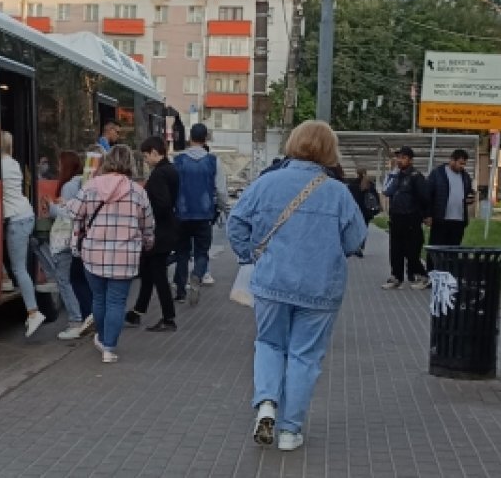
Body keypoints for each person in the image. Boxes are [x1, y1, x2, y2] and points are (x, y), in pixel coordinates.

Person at [227, 120, 366, 453]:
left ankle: (265, 404)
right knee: (305, 356)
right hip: (320, 288)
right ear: (329, 151)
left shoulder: (266, 183)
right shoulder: (338, 193)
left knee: (269, 343)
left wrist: (251, 255)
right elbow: (355, 238)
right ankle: (290, 431)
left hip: (272, 283)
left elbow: (236, 224)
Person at [70, 144, 155, 364]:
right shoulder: (138, 192)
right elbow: (148, 226)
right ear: (130, 164)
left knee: (99, 299)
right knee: (117, 302)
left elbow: (73, 212)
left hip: (93, 254)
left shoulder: (91, 186)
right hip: (125, 257)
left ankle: (100, 336)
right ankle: (109, 347)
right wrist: (147, 243)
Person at [126, 136, 180, 332]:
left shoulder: (158, 175)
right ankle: (137, 312)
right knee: (148, 272)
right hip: (166, 231)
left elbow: (162, 204)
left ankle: (168, 318)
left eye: (146, 156)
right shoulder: (171, 170)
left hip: (159, 233)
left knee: (158, 276)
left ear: (155, 153)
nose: (146, 160)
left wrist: (145, 214)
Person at [172, 123, 229, 303]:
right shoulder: (214, 161)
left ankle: (180, 290)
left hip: (181, 213)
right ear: (205, 139)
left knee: (182, 252)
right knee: (202, 252)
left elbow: (172, 188)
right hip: (204, 214)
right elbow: (220, 190)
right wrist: (225, 208)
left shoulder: (178, 160)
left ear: (190, 138)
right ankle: (197, 275)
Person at [36, 150, 86, 340]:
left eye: (59, 163)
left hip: (65, 238)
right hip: (76, 238)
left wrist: (51, 206)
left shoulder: (68, 186)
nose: (57, 167)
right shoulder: (82, 182)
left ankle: (75, 321)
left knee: (63, 281)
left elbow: (66, 214)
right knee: (70, 279)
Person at [0, 131, 46, 337]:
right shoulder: (13, 163)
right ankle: (4, 279)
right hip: (24, 214)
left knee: (19, 268)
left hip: (16, 219)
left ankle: (33, 312)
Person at [382, 146, 431, 290]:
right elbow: (386, 191)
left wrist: (427, 215)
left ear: (410, 160)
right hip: (396, 217)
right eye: (398, 157)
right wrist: (392, 173)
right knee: (395, 249)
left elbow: (424, 197)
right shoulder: (396, 176)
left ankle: (422, 276)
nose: (399, 160)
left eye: (403, 158)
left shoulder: (416, 176)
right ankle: (396, 277)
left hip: (411, 218)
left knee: (411, 251)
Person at [426, 149, 476, 271]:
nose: (462, 166)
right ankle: (432, 274)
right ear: (452, 160)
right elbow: (428, 194)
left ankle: (449, 274)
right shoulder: (438, 174)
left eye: (464, 164)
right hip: (441, 218)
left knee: (453, 250)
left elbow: (468, 192)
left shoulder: (465, 176)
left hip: (458, 219)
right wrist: (428, 215)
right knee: (436, 248)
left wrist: (470, 198)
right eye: (460, 163)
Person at [346, 168, 382, 254]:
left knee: (355, 229)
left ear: (356, 173)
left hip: (355, 211)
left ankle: (355, 246)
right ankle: (361, 247)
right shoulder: (370, 185)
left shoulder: (352, 185)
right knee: (364, 228)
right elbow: (376, 197)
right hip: (366, 212)